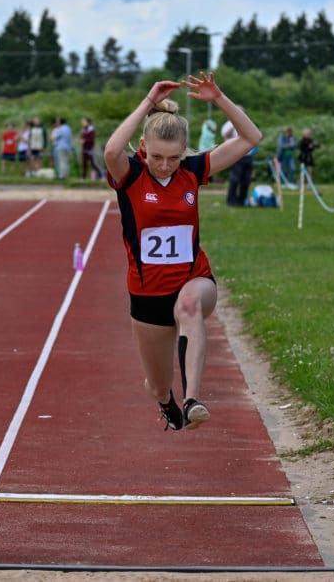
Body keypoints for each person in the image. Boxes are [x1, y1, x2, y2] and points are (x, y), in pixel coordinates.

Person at [104, 71, 262, 432]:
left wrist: (219, 98)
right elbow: (111, 150)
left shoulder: (192, 170)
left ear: (184, 152)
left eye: (173, 158)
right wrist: (148, 100)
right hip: (147, 294)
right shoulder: (130, 174)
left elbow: (251, 138)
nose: (165, 165)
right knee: (158, 384)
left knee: (189, 305)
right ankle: (167, 400)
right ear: (143, 147)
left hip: (193, 278)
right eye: (157, 157)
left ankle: (192, 400)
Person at [222, 107, 256, 207]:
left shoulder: (247, 123)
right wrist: (234, 124)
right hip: (236, 155)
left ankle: (242, 201)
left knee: (246, 180)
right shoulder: (229, 124)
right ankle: (231, 201)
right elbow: (225, 135)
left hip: (248, 155)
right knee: (235, 179)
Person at [79, 116, 104, 180]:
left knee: (93, 163)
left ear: (88, 122)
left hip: (90, 149)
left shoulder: (91, 130)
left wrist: (85, 141)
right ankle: (83, 177)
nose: (82, 123)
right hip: (84, 149)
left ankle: (101, 175)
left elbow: (92, 139)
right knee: (84, 163)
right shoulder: (83, 130)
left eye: (84, 121)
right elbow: (81, 137)